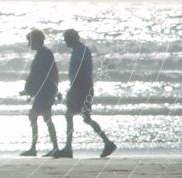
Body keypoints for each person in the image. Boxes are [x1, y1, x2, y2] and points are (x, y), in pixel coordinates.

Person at [53, 29, 116, 158]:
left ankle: (69, 147)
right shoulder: (81, 50)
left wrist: (74, 87)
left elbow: (80, 70)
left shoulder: (80, 51)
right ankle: (106, 142)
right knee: (84, 117)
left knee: (71, 115)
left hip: (81, 87)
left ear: (73, 38)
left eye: (67, 39)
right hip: (84, 86)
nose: (66, 42)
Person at [19, 29, 60, 157]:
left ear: (36, 41)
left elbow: (45, 75)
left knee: (36, 115)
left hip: (46, 92)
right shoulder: (43, 54)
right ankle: (52, 147)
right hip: (45, 91)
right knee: (44, 118)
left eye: (30, 41)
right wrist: (29, 90)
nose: (29, 44)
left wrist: (54, 91)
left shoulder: (45, 54)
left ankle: (37, 148)